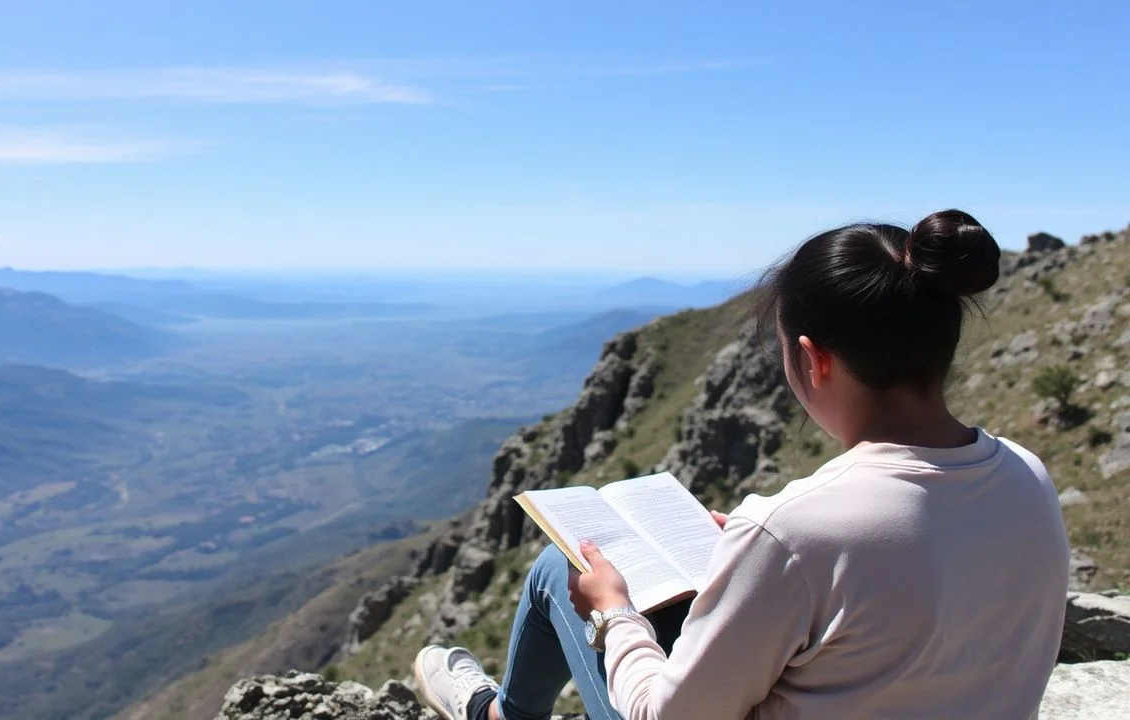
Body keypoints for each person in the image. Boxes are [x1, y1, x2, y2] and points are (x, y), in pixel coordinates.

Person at [411, 209, 1071, 720]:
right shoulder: (1027, 476)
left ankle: (502, 714)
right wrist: (758, 555)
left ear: (812, 359)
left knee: (561, 569)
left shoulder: (797, 530)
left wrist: (613, 614)